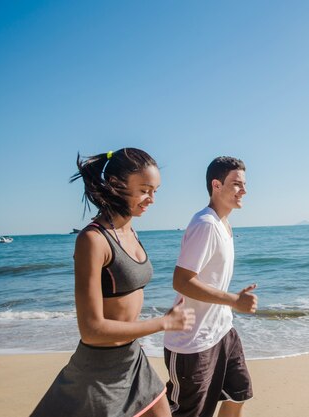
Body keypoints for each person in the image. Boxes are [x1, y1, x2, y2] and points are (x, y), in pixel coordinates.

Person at [31, 148, 196, 417]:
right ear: (116, 185)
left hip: (132, 358)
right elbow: (92, 329)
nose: (151, 199)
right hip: (98, 371)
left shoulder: (129, 230)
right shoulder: (92, 240)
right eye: (144, 190)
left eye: (155, 191)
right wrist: (163, 323)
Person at [163, 156, 258, 417]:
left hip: (222, 331)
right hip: (192, 343)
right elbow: (181, 281)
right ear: (216, 185)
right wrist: (233, 300)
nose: (244, 191)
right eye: (237, 184)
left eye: (244, 184)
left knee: (239, 394)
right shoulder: (205, 224)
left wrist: (229, 306)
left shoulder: (223, 223)